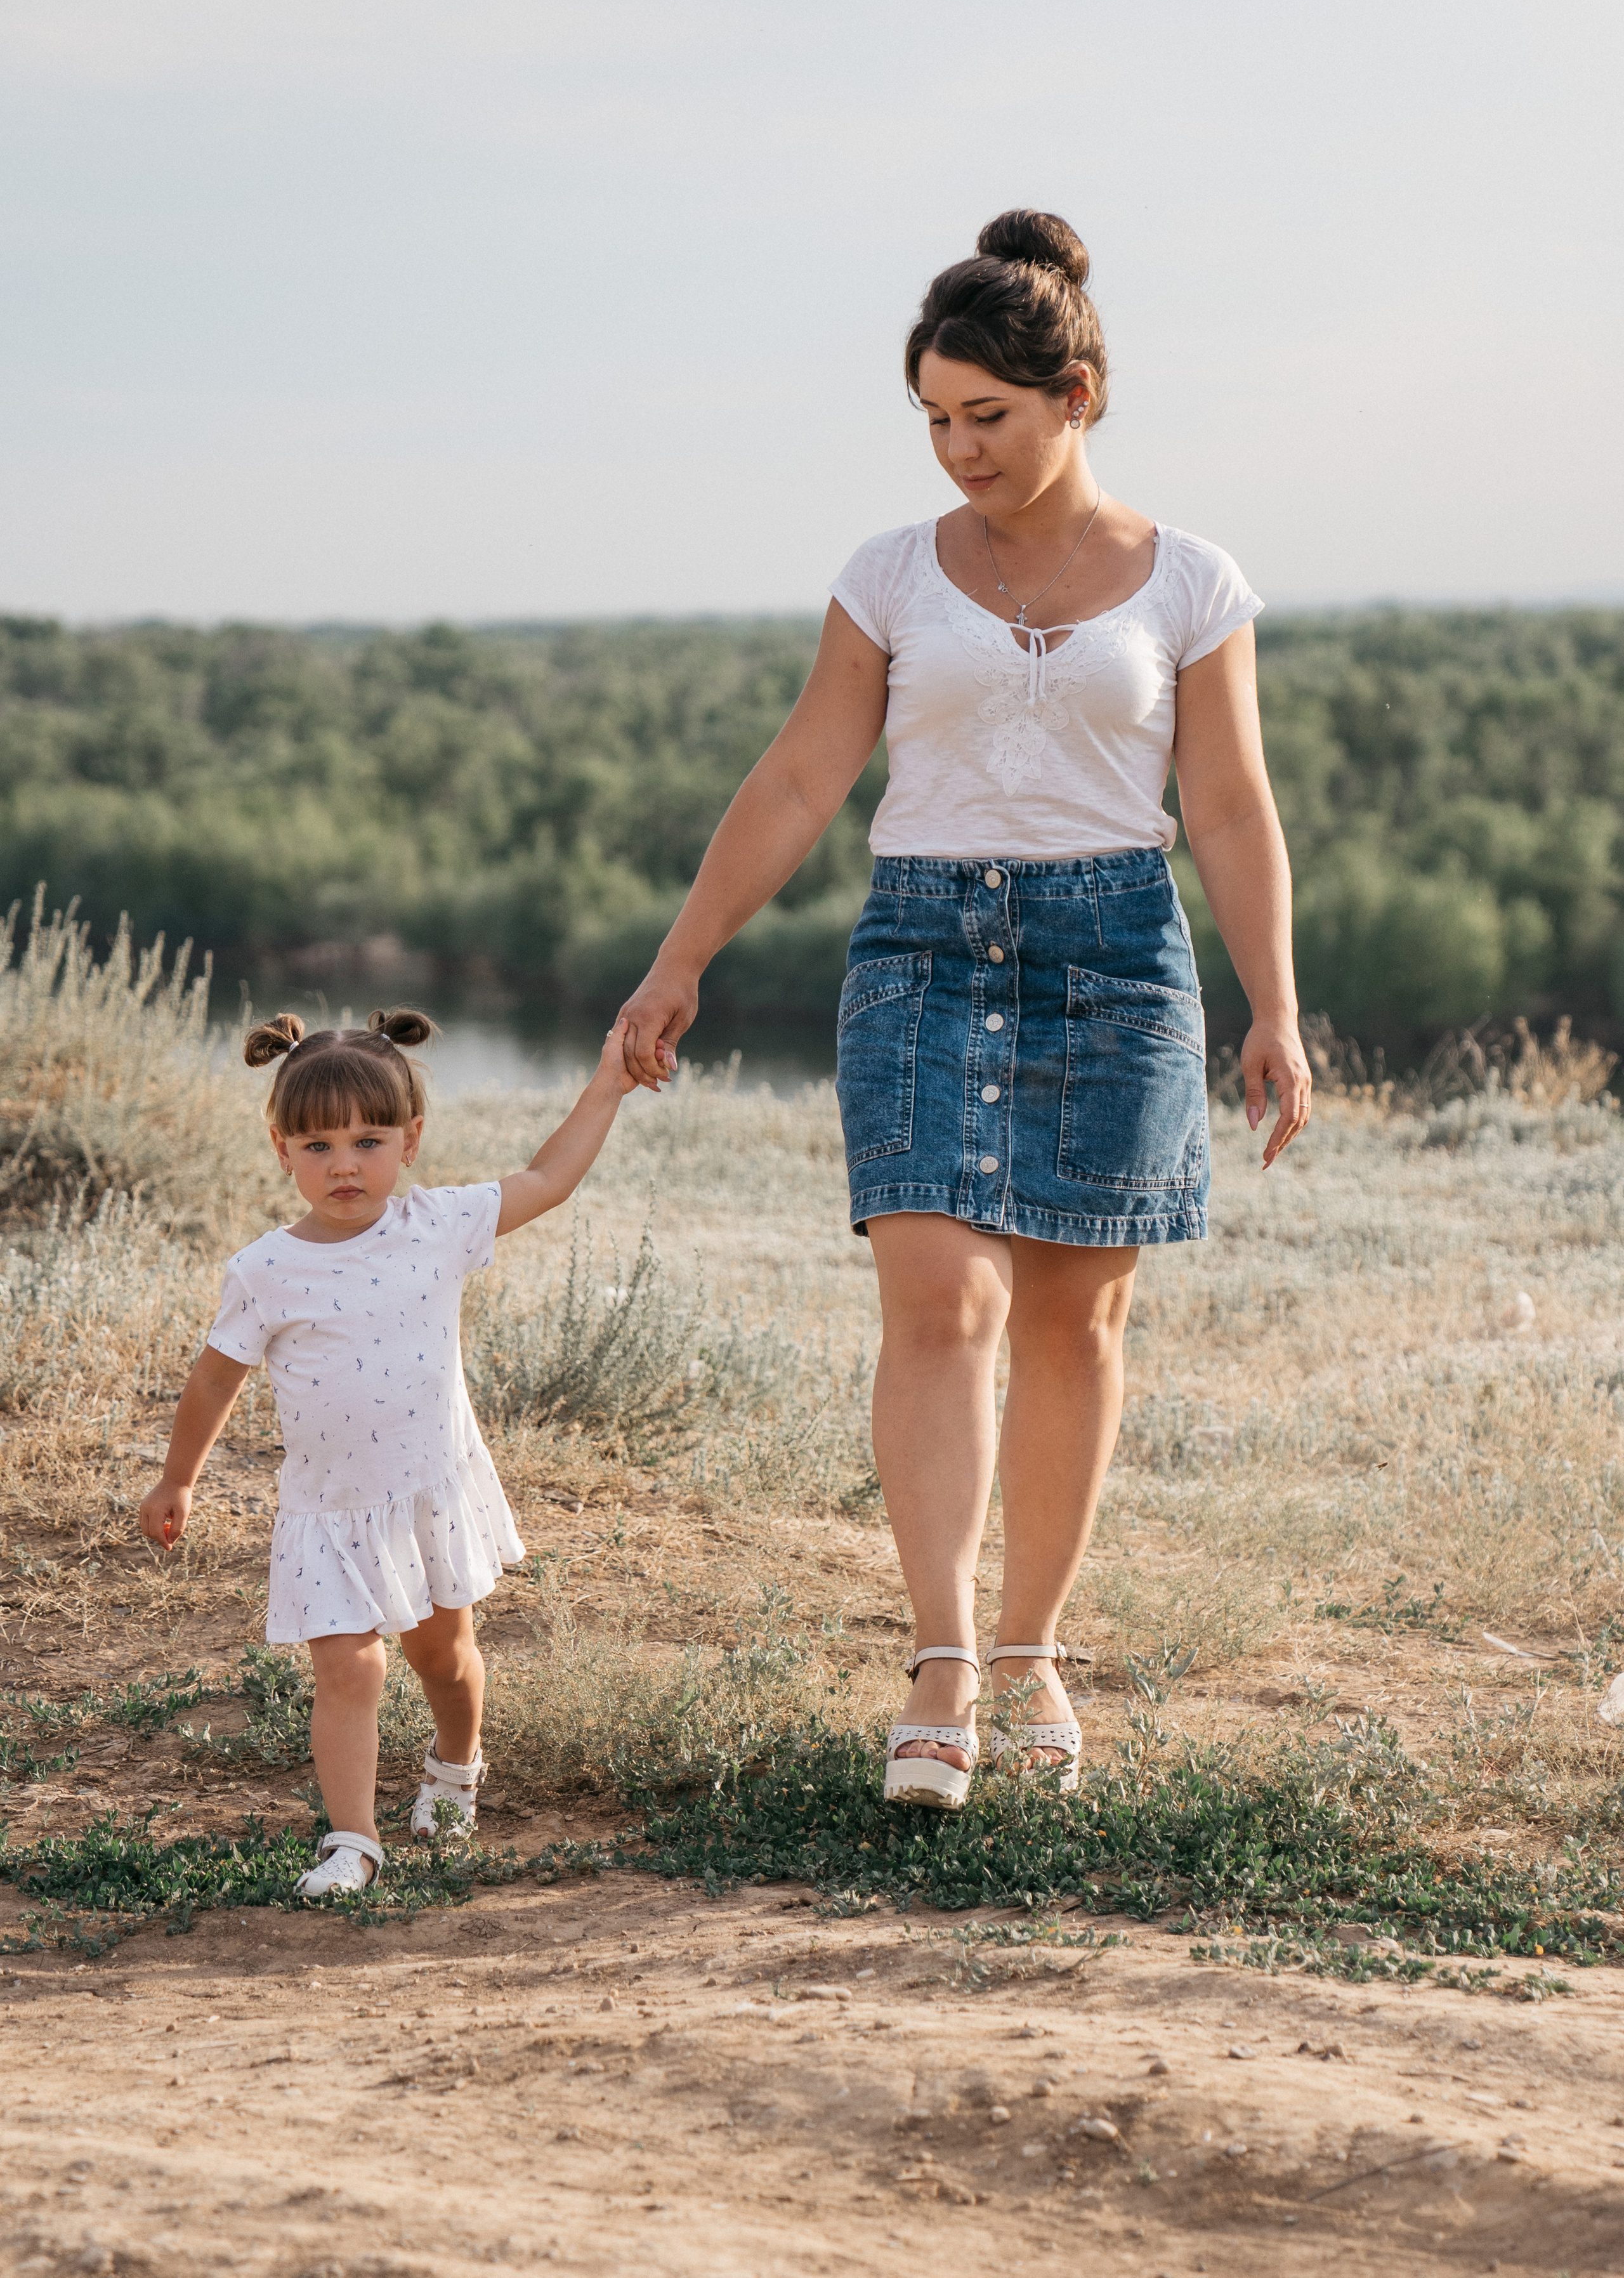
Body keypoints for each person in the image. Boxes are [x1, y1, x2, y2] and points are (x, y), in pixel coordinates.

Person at [615, 209, 1311, 1810]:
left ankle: (1030, 1651)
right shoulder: (885, 575)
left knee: (1074, 1320)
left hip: (1115, 956)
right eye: (931, 418)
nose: (955, 450)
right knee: (939, 1300)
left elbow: (1229, 808)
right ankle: (939, 1661)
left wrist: (1271, 1006)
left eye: (983, 415)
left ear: (1076, 395)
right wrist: (679, 957)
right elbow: (802, 777)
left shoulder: (1192, 581)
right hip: (921, 949)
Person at [139, 1007, 670, 1896]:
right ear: (281, 1149)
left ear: (410, 1139)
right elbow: (213, 1379)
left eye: (367, 1141)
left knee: (444, 1660)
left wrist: (610, 1083)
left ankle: (457, 1765)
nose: (344, 1164)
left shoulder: (438, 1224)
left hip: (424, 1494)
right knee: (348, 1669)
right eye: (317, 1146)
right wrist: (177, 1478)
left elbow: (547, 1178)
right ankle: (353, 1840)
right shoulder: (265, 1270)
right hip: (328, 1511)